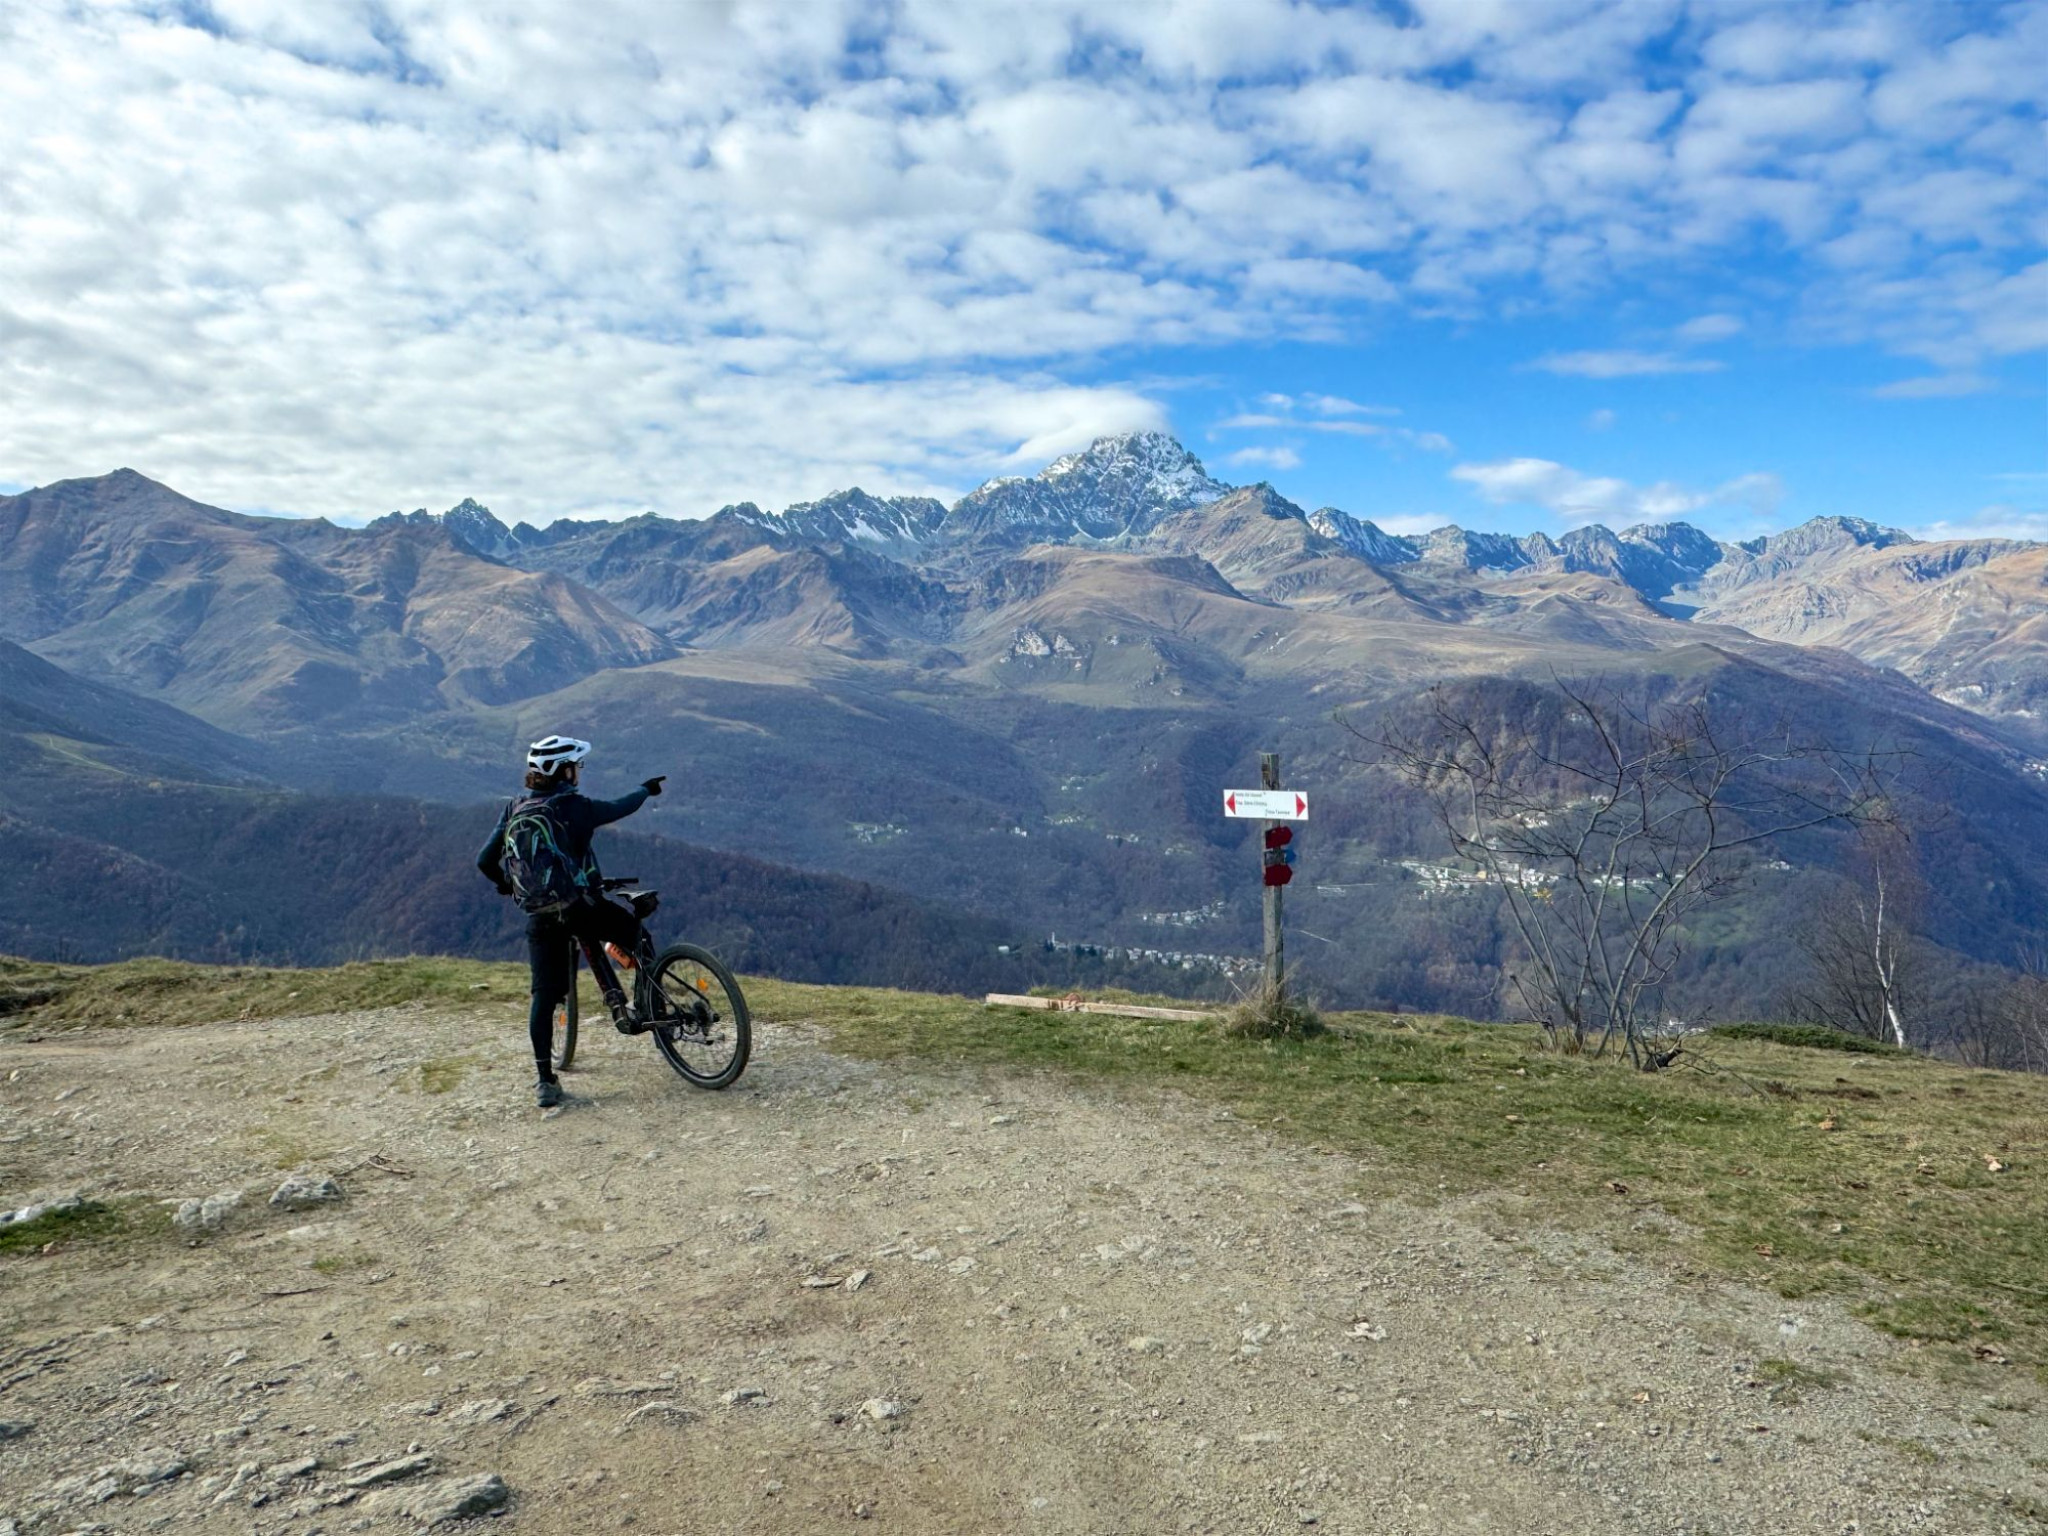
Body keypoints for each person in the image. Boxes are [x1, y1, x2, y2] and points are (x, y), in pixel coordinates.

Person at [478, 735, 667, 1108]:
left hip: (540, 915)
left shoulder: (515, 807)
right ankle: (652, 1011)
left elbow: (484, 860)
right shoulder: (574, 806)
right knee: (638, 938)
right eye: (575, 766)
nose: (578, 772)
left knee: (544, 996)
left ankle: (546, 1082)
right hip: (581, 907)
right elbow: (619, 807)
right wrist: (646, 790)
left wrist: (507, 885)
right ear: (564, 771)